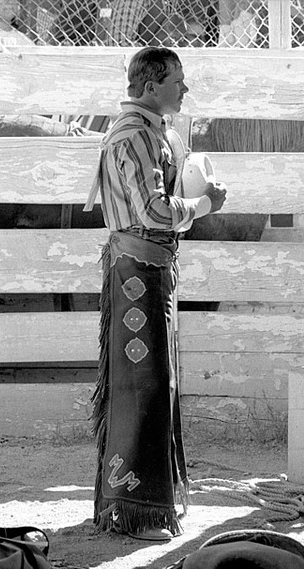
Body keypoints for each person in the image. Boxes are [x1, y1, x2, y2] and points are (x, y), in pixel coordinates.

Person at [84, 47, 227, 541]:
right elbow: (155, 212)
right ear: (150, 87)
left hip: (141, 269)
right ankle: (136, 509)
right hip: (139, 272)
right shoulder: (139, 137)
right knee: (144, 384)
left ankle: (134, 503)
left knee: (146, 381)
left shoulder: (143, 132)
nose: (184, 90)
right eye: (177, 82)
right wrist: (205, 203)